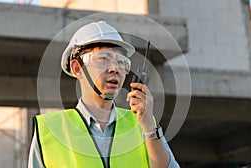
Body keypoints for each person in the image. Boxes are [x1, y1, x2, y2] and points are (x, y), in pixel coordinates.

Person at [28, 21, 180, 168]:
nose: (115, 68)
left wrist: (149, 128)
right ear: (77, 68)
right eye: (103, 59)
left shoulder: (144, 124)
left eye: (121, 62)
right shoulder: (50, 131)